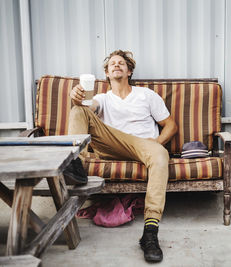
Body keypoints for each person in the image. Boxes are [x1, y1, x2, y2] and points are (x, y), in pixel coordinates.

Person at [68, 50, 177, 262]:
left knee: (160, 155)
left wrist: (156, 143)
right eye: (112, 64)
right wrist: (77, 98)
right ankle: (75, 165)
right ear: (107, 74)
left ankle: (150, 232)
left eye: (121, 63)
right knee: (78, 110)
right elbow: (90, 107)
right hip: (111, 143)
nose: (116, 65)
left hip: (143, 145)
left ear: (129, 71)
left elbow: (171, 125)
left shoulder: (146, 95)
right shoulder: (101, 98)